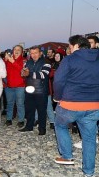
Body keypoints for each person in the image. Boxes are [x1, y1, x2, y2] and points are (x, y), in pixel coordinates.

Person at [53, 35, 99, 177]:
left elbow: (59, 80)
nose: (69, 49)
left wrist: (57, 97)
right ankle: (89, 172)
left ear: (77, 46)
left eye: (70, 46)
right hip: (94, 105)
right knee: (90, 138)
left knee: (60, 125)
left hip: (70, 104)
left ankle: (67, 156)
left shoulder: (70, 59)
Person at [19, 46, 51, 135]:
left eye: (35, 53)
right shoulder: (28, 62)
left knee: (41, 111)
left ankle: (42, 129)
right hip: (29, 90)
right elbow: (24, 73)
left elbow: (44, 74)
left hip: (41, 90)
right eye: (32, 53)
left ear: (40, 53)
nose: (33, 55)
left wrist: (29, 73)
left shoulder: (46, 62)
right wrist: (23, 73)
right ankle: (29, 127)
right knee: (29, 110)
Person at [4, 45, 25, 128]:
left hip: (20, 86)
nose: (16, 51)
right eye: (15, 49)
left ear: (22, 52)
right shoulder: (8, 60)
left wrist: (13, 61)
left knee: (20, 104)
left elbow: (22, 70)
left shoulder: (24, 60)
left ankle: (21, 120)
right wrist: (6, 60)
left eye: (18, 50)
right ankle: (9, 119)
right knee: (9, 104)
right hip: (9, 86)